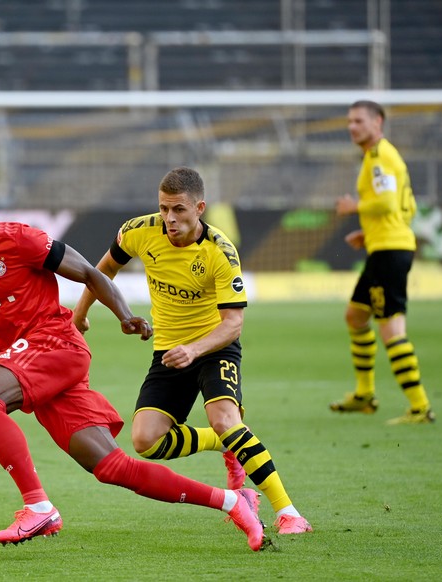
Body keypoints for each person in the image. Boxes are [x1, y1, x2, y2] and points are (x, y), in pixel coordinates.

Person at [0, 172, 269, 552]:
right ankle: (234, 502)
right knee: (112, 468)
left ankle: (38, 507)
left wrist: (123, 314)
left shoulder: (17, 239)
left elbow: (89, 272)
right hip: (30, 367)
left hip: (54, 344)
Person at [72, 166, 312, 535]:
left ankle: (289, 513)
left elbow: (233, 324)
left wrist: (194, 349)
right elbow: (101, 270)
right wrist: (81, 313)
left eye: (179, 209)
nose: (169, 218)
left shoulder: (220, 252)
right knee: (145, 441)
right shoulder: (139, 231)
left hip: (215, 347)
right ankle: (224, 444)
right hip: (169, 351)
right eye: (164, 208)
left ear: (199, 208)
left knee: (225, 418)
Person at [331, 100, 435, 424]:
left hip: (390, 252)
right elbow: (407, 207)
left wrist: (355, 207)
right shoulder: (381, 158)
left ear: (378, 123)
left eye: (359, 121)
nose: (352, 127)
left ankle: (419, 406)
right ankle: (364, 394)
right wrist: (370, 230)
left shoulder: (379, 157)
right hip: (387, 246)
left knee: (391, 329)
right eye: (349, 121)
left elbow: (387, 200)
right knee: (356, 316)